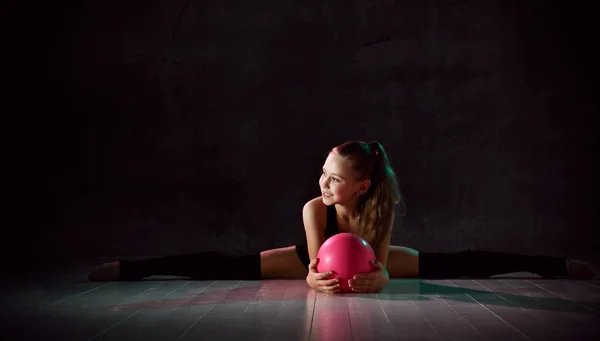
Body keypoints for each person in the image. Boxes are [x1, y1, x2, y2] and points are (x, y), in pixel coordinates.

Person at [88, 141, 596, 292]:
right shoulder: (315, 209)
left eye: (333, 179)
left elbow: (381, 263)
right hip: (310, 259)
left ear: (361, 185)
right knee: (221, 262)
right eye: (322, 173)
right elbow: (315, 267)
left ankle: (555, 265)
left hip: (371, 256)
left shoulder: (380, 207)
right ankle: (127, 268)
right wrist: (319, 283)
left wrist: (382, 277)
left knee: (461, 264)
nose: (322, 184)